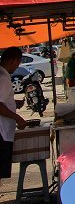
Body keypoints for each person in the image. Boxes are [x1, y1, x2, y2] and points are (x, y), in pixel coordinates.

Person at [0, 47, 27, 184]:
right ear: (13, 60)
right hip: (2, 132)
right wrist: (17, 118)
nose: (17, 67)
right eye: (18, 63)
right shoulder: (3, 78)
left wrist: (12, 103)